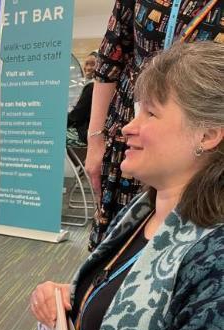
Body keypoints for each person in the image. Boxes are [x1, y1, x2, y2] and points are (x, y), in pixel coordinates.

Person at [0, 41, 224, 330]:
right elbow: (136, 302)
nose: (126, 126)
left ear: (208, 134)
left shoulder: (214, 258)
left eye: (150, 112)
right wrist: (72, 299)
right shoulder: (141, 213)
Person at [86, 0, 223, 250]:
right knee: (125, 240)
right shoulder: (131, 129)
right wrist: (95, 140)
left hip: (198, 130)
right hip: (137, 134)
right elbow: (109, 59)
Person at [66, 52, 97, 160]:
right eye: (86, 63)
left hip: (86, 133)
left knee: (57, 135)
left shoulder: (92, 87)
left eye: (92, 64)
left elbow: (77, 114)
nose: (88, 68)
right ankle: (80, 166)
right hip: (94, 132)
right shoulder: (99, 86)